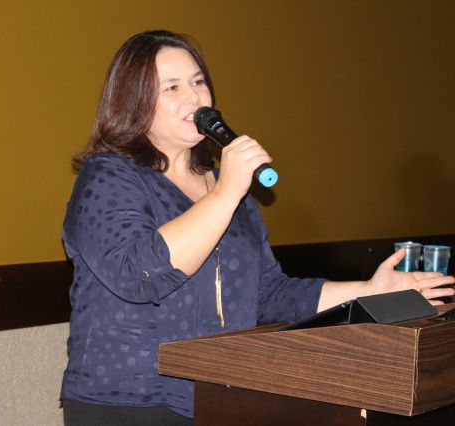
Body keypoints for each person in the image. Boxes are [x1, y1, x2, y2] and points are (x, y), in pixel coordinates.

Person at [59, 30, 455, 425]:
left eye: (199, 82)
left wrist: (369, 292)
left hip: (222, 397)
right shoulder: (108, 177)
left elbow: (267, 293)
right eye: (173, 87)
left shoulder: (227, 188)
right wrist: (227, 192)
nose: (195, 97)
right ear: (134, 101)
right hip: (128, 402)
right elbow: (139, 274)